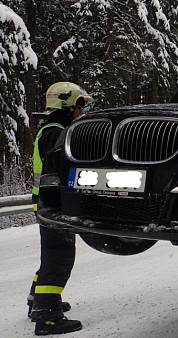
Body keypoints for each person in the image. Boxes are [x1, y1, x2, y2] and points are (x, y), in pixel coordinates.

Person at [28, 82, 92, 335]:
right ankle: (48, 316)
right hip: (53, 204)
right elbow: (61, 170)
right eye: (80, 106)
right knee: (60, 256)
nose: (81, 111)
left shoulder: (50, 128)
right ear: (69, 106)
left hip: (45, 202)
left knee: (51, 253)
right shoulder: (57, 133)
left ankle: (37, 301)